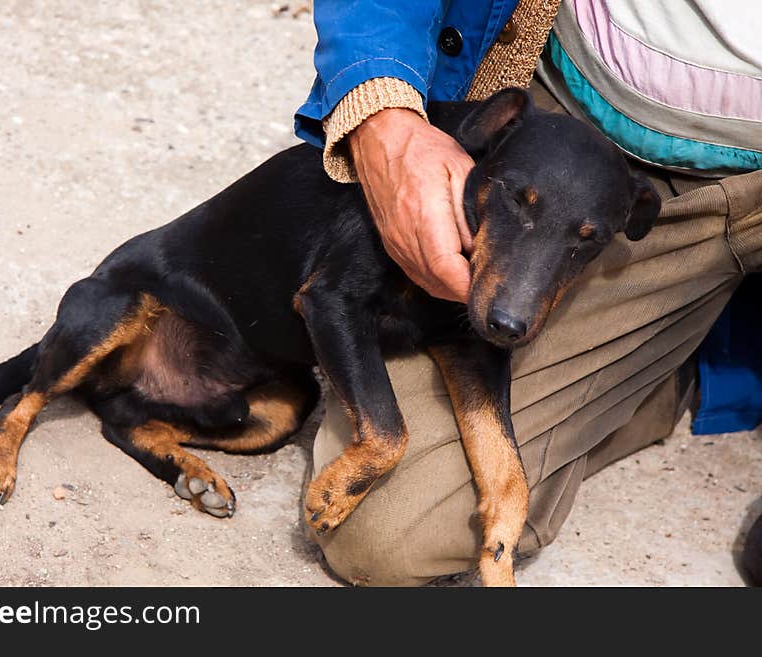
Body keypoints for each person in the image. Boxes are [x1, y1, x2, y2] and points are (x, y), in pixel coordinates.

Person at [293, 0, 762, 585]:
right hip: (558, 97)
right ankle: (659, 372)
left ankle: (669, 356)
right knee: (385, 533)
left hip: (744, 182)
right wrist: (381, 112)